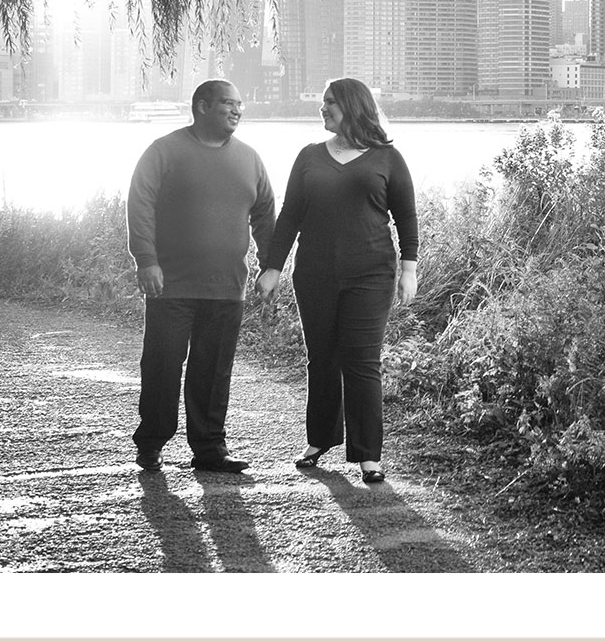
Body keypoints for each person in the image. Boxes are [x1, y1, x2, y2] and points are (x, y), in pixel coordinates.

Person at [256, 77, 418, 484]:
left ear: (353, 106)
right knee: (322, 358)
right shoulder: (309, 156)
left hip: (371, 274)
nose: (323, 108)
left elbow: (406, 215)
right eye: (323, 101)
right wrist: (273, 268)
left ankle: (368, 455)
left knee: (362, 362)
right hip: (314, 273)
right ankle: (320, 439)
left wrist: (409, 269)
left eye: (330, 102)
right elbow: (290, 215)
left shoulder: (387, 158)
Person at [127, 79, 276, 473]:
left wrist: (270, 266)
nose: (237, 110)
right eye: (228, 103)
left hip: (227, 285)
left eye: (240, 104)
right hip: (171, 283)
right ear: (202, 107)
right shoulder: (164, 151)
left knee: (213, 371)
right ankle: (151, 443)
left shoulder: (250, 158)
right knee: (162, 366)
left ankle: (210, 448)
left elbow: (265, 214)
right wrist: (146, 260)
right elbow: (140, 205)